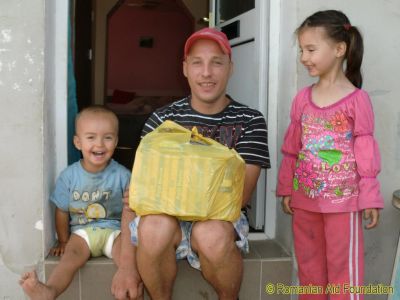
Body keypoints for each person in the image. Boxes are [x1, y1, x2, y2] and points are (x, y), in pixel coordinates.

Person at [111, 27, 270, 300]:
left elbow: (238, 197)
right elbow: (136, 197)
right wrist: (127, 267)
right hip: (168, 221)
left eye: (216, 62)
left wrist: (171, 190)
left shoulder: (250, 121)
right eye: (197, 62)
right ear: (185, 68)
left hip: (220, 221)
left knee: (210, 233)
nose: (206, 73)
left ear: (230, 68)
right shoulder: (162, 121)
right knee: (153, 226)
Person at [277, 10, 384, 300]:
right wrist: (287, 187)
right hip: (305, 202)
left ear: (339, 49)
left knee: (343, 275)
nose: (303, 57)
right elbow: (291, 149)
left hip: (343, 203)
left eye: (311, 49)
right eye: (301, 50)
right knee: (310, 271)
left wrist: (370, 196)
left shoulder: (357, 100)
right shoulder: (302, 99)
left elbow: (366, 152)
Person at [19, 106, 131, 300]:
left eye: (108, 137)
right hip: (82, 232)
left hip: (114, 231)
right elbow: (61, 210)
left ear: (116, 141)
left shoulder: (123, 175)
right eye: (91, 137)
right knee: (69, 258)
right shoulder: (69, 176)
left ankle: (130, 289)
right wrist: (63, 240)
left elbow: (133, 209)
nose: (100, 144)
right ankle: (49, 290)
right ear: (77, 142)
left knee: (128, 260)